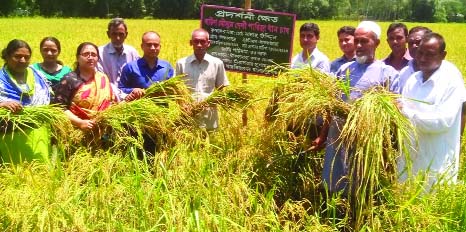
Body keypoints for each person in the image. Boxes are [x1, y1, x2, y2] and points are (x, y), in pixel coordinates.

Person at [318, 21, 399, 194]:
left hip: (366, 138)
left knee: (360, 184)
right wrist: (323, 135)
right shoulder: (344, 70)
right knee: (334, 179)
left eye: (365, 41)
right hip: (337, 135)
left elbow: (394, 112)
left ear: (376, 43)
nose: (359, 46)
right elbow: (331, 105)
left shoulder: (387, 73)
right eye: (357, 41)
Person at [398, 33, 466, 187]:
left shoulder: (452, 83)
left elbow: (441, 122)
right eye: (420, 53)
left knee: (432, 207)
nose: (422, 58)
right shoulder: (412, 80)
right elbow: (403, 121)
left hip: (437, 164)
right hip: (409, 162)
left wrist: (405, 112)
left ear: (443, 55)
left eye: (429, 55)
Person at [0, 39, 51, 163]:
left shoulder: (38, 76)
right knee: (14, 171)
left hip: (38, 132)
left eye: (26, 57)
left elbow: (47, 99)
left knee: (40, 170)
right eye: (17, 56)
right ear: (7, 56)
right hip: (9, 135)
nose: (22, 60)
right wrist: (2, 104)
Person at [53, 42, 116, 130]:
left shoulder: (102, 78)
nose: (90, 57)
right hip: (75, 131)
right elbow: (58, 107)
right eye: (86, 54)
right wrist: (80, 122)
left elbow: (111, 102)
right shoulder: (70, 79)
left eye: (94, 55)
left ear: (97, 58)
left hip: (102, 130)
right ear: (78, 58)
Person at [175, 28, 229, 131]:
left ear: (208, 43)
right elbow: (176, 90)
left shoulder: (217, 63)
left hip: (209, 116)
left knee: (209, 144)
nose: (199, 45)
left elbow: (221, 90)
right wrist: (183, 105)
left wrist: (212, 101)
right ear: (191, 43)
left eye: (202, 42)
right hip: (187, 116)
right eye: (196, 41)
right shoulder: (181, 64)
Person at [118, 31, 174, 102]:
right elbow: (120, 89)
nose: (153, 48)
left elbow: (173, 90)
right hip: (137, 110)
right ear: (142, 46)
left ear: (160, 47)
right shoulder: (130, 67)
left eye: (156, 45)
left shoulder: (167, 67)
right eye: (149, 45)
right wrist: (133, 90)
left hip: (163, 110)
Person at [98, 18, 139, 99]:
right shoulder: (99, 53)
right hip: (108, 97)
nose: (118, 38)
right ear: (108, 34)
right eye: (114, 34)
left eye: (121, 34)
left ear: (126, 35)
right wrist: (121, 96)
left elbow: (138, 76)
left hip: (132, 97)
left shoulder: (132, 52)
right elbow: (101, 80)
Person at [397, 26, 432, 93]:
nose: (414, 46)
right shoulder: (404, 72)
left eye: (418, 42)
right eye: (411, 43)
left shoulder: (445, 71)